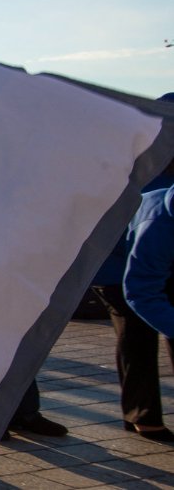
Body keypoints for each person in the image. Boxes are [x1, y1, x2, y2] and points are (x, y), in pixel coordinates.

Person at [122, 176, 174, 442]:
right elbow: (141, 291)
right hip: (120, 270)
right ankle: (143, 416)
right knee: (137, 335)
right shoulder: (159, 225)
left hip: (161, 266)